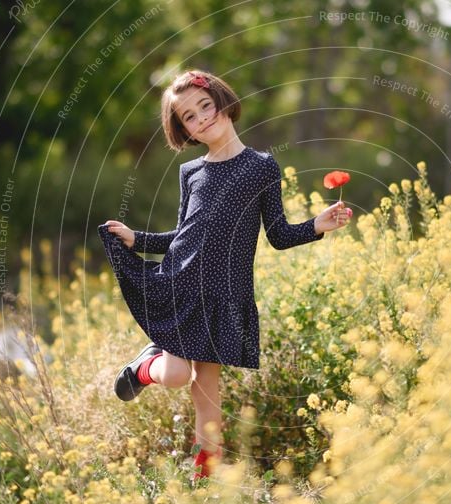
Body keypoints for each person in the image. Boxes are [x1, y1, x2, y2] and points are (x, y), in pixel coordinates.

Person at [96, 69, 351, 482]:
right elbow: (183, 235)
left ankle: (205, 476)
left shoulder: (261, 167)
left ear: (223, 103)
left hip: (225, 294)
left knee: (207, 392)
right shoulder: (191, 172)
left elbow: (280, 236)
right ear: (186, 131)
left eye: (204, 107)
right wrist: (136, 238)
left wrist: (317, 225)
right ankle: (143, 369)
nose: (201, 119)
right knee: (177, 375)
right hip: (182, 282)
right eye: (189, 118)